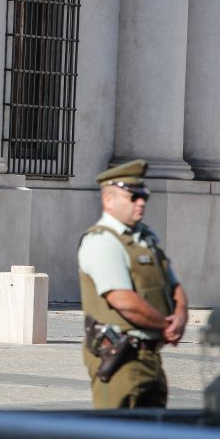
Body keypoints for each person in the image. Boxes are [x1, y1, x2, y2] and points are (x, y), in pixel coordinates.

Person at [77, 159, 188, 409]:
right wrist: (166, 326)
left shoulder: (144, 238)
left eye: (144, 197)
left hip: (150, 354)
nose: (141, 203)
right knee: (116, 433)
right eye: (133, 197)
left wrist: (180, 316)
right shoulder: (102, 241)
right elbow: (123, 301)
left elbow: (174, 285)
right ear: (109, 200)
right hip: (120, 357)